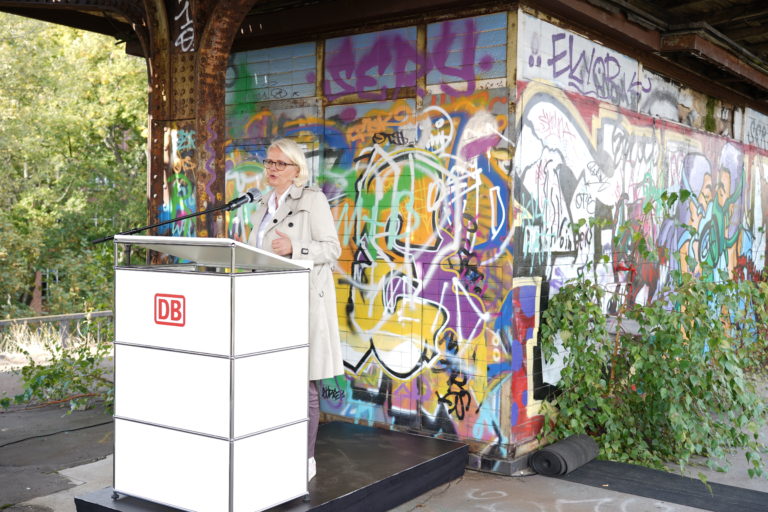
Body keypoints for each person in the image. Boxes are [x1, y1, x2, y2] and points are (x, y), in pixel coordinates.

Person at [246, 138, 344, 482]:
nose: (271, 169)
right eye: (268, 162)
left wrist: (295, 247)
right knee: (270, 380)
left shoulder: (312, 200)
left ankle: (305, 458)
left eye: (279, 164)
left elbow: (332, 249)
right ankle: (272, 446)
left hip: (301, 303)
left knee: (304, 385)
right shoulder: (261, 203)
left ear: (296, 169)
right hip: (265, 304)